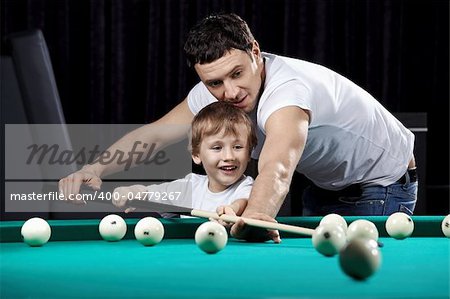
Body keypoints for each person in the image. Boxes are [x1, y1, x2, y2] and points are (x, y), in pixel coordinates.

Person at [59, 13, 417, 242]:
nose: (229, 92)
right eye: (214, 83)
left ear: (255, 52)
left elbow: (277, 166)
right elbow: (154, 134)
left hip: (380, 184)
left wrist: (259, 215)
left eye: (237, 74)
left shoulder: (287, 92)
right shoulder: (213, 91)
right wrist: (95, 168)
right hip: (325, 185)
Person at [111, 102, 260, 226]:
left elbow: (243, 202)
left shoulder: (247, 186)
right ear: (196, 155)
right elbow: (152, 193)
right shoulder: (189, 186)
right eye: (217, 148)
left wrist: (231, 210)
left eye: (238, 147)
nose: (229, 156)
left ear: (249, 153)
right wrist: (134, 192)